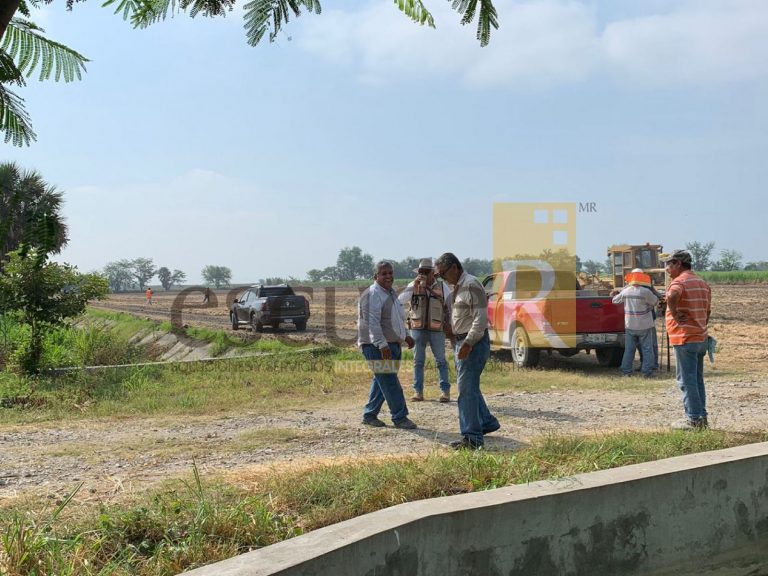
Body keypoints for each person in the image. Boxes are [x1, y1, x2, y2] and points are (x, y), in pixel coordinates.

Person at [434, 252, 500, 450]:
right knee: (470, 387)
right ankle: (486, 422)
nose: (442, 278)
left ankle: (472, 438)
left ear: (454, 267)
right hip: (462, 342)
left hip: (473, 344)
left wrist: (468, 343)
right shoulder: (457, 286)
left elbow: (480, 319)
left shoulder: (471, 284)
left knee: (465, 391)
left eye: (443, 273)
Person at [358, 261, 417, 429]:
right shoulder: (372, 294)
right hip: (375, 346)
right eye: (384, 273)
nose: (388, 276)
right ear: (375, 276)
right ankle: (400, 417)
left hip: (392, 344)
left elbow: (398, 318)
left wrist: (406, 335)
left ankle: (369, 415)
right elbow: (372, 323)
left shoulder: (390, 293)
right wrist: (382, 345)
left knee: (382, 381)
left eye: (390, 273)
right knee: (390, 382)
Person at [663, 249, 712, 430]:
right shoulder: (702, 283)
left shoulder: (679, 282)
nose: (667, 269)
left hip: (684, 338)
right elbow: (707, 311)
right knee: (697, 380)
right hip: (700, 337)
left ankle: (693, 419)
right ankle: (701, 417)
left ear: (678, 264)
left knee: (686, 380)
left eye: (669, 264)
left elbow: (672, 295)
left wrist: (675, 314)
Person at [398, 258, 452, 403]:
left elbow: (450, 305)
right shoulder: (413, 285)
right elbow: (400, 301)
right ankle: (418, 392)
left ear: (433, 273)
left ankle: (445, 392)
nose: (423, 274)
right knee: (418, 361)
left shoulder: (442, 287)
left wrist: (450, 325)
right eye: (421, 271)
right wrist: (413, 286)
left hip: (437, 328)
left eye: (426, 272)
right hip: (417, 328)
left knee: (441, 360)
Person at [611, 270, 659, 378]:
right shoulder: (645, 292)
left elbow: (614, 300)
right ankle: (646, 372)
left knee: (629, 349)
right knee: (647, 349)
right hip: (644, 325)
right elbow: (655, 301)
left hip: (630, 325)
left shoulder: (626, 291)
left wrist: (623, 291)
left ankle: (626, 371)